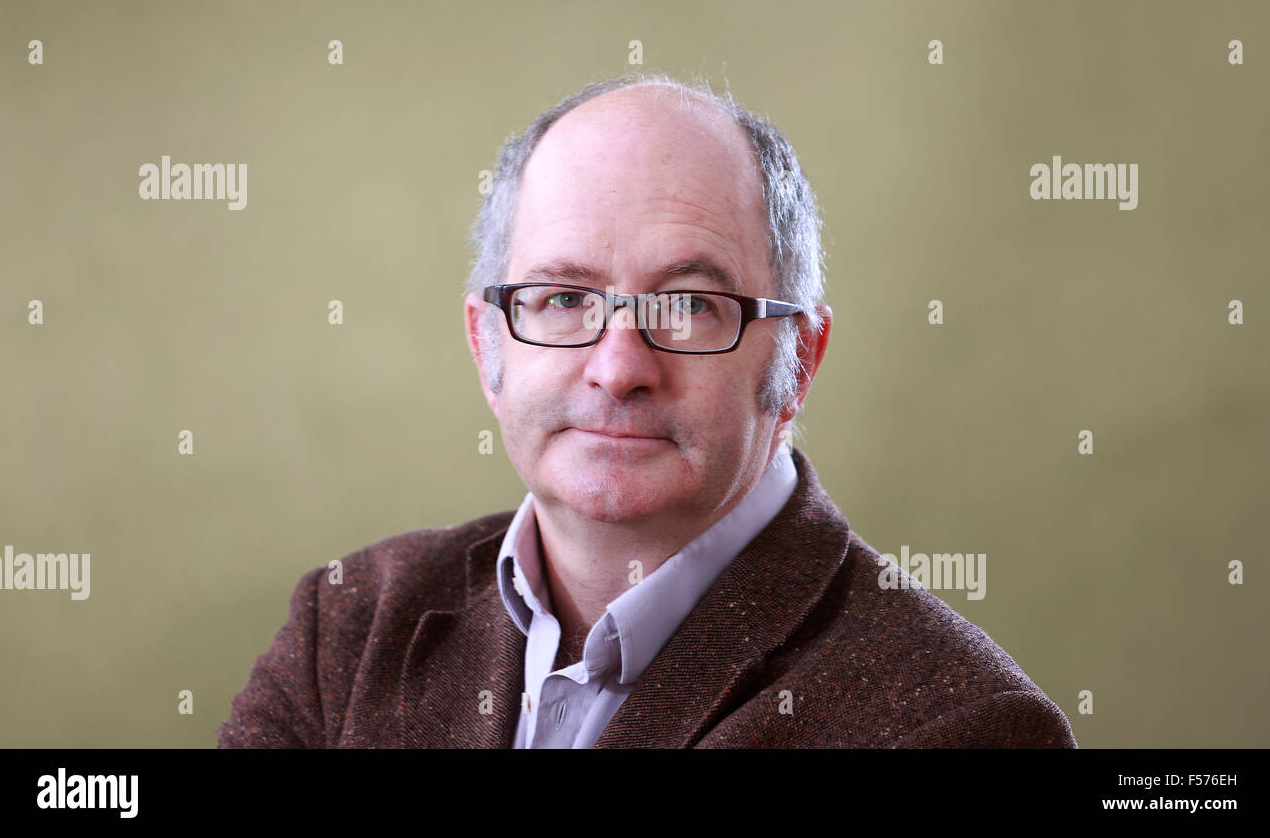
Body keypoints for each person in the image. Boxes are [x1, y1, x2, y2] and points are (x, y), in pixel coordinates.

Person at [217, 73, 1077, 748]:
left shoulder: (959, 725)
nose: (619, 368)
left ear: (797, 361)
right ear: (489, 349)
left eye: (689, 306)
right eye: (562, 298)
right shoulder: (351, 627)